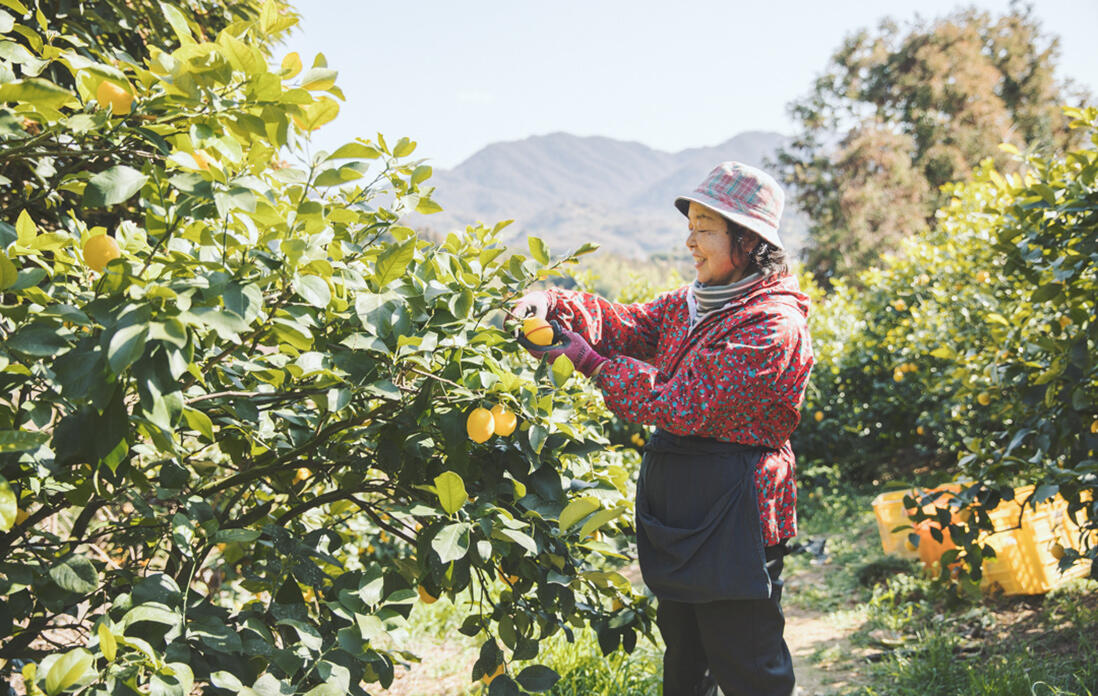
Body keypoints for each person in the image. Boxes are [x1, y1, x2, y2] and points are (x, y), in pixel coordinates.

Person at [514, 162, 814, 696]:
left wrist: (592, 364)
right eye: (690, 225)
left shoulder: (773, 324)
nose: (690, 241)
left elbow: (686, 403)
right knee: (685, 660)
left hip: (736, 508)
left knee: (746, 662)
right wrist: (554, 303)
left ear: (747, 242)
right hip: (681, 503)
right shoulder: (691, 304)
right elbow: (627, 324)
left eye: (704, 228)